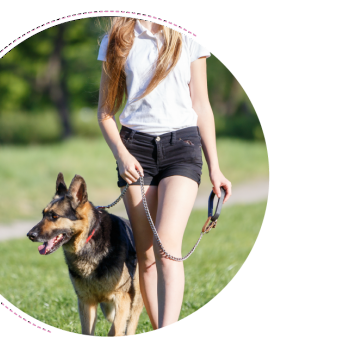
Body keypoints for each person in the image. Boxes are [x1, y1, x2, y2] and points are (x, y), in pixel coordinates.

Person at [96, 17, 232, 332]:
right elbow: (105, 112)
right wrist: (122, 155)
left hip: (182, 146)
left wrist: (215, 167)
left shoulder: (189, 40)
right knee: (146, 256)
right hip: (135, 150)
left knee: (168, 249)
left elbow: (202, 104)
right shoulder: (116, 38)